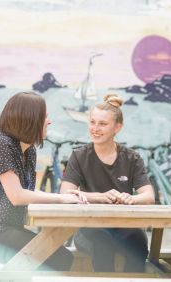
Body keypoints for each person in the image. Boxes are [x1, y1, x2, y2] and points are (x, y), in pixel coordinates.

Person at [0, 92, 85, 271]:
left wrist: (62, 196)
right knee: (59, 258)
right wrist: (60, 199)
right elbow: (17, 196)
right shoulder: (1, 145)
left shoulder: (28, 150)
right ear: (29, 119)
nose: (49, 121)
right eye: (45, 116)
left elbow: (26, 192)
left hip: (1, 230)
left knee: (58, 255)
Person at [60, 94, 155, 273]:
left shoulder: (131, 157)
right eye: (92, 122)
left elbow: (149, 196)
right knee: (104, 245)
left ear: (117, 127)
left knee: (139, 245)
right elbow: (66, 193)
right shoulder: (79, 156)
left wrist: (132, 198)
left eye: (102, 124)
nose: (95, 128)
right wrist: (99, 197)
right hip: (89, 228)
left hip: (125, 226)